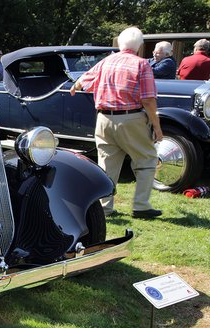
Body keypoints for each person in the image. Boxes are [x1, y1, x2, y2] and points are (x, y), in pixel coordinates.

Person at [70, 27, 163, 219]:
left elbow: (80, 83)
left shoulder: (106, 61)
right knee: (146, 159)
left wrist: (76, 86)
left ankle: (104, 207)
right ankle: (141, 206)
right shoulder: (142, 64)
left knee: (106, 164)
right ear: (140, 45)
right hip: (131, 117)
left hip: (103, 118)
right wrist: (157, 126)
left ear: (120, 43)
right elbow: (148, 99)